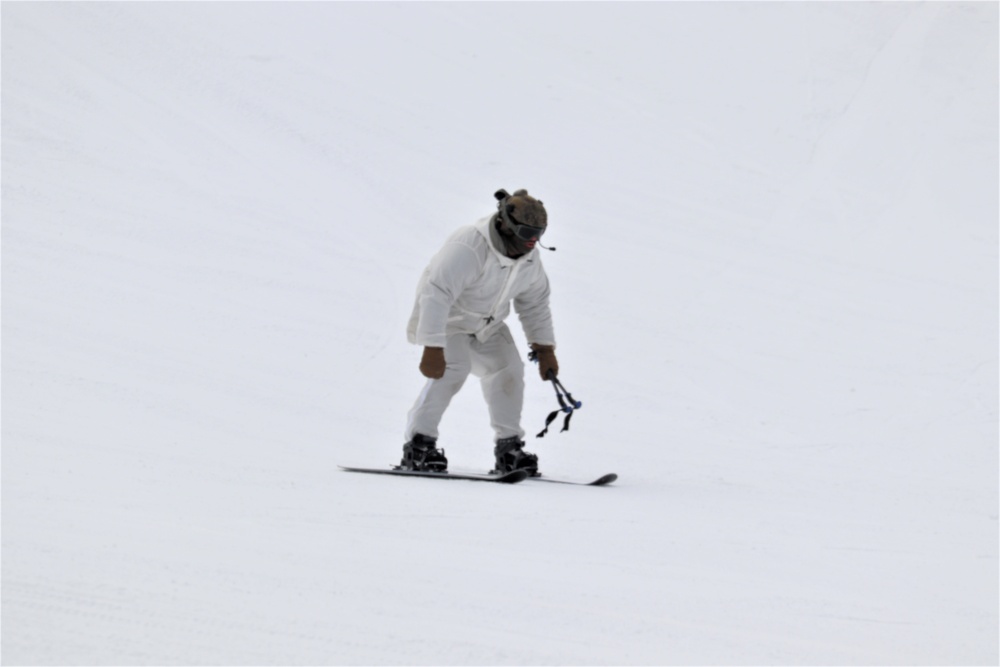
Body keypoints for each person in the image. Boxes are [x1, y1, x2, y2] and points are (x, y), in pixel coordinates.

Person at [402, 188, 559, 475]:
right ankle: (419, 445)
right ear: (506, 225)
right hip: (450, 322)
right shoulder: (469, 246)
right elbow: (436, 294)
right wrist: (433, 346)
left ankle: (508, 448)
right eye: (526, 232)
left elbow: (534, 301)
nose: (533, 241)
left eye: (539, 233)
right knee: (453, 369)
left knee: (509, 370)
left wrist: (544, 347)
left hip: (488, 326)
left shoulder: (529, 256)